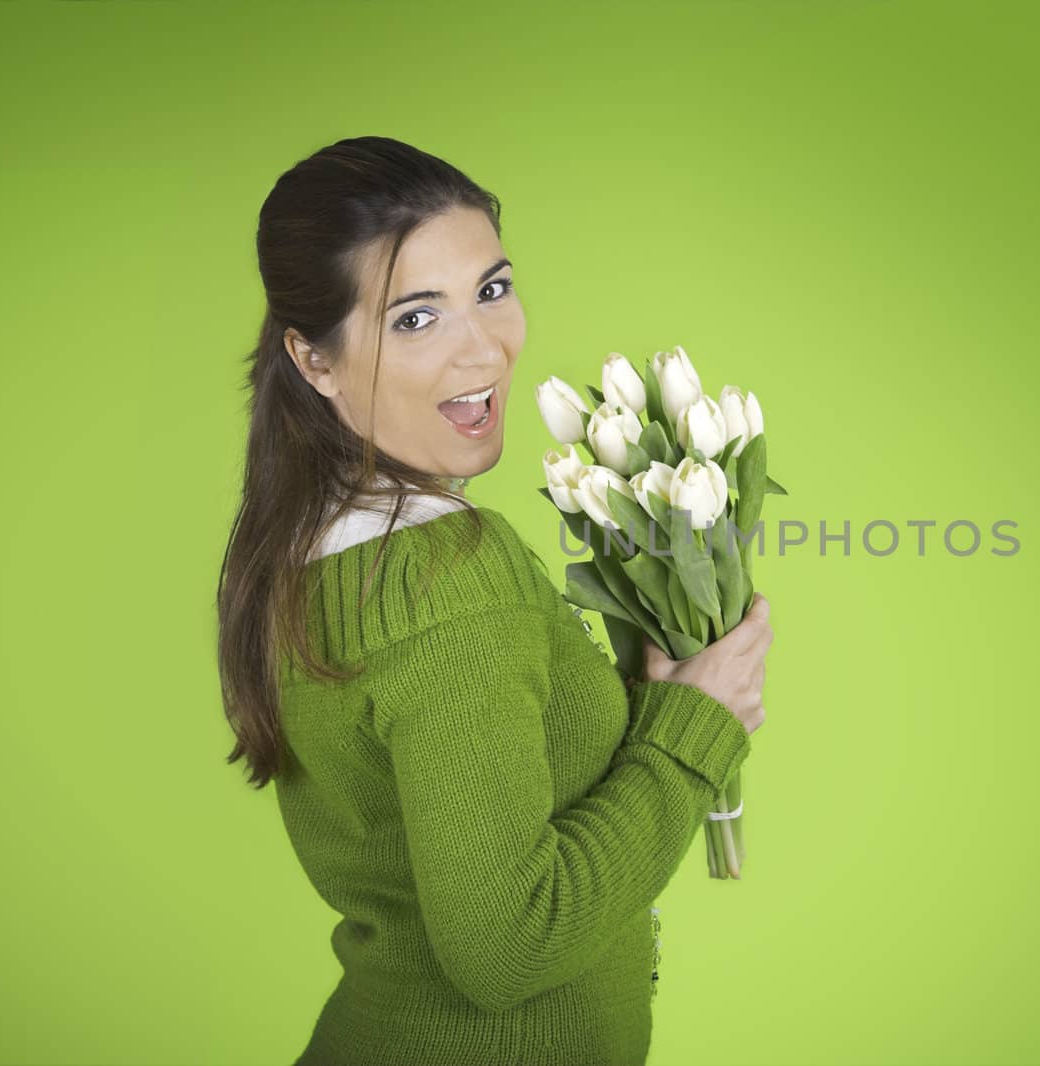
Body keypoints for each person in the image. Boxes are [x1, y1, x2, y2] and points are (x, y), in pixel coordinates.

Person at [215, 136, 772, 1066]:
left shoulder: (309, 549)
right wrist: (694, 733)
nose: (483, 348)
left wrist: (642, 698)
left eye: (492, 288)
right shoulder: (447, 574)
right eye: (415, 319)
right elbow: (511, 946)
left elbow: (473, 798)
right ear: (314, 359)